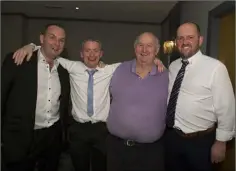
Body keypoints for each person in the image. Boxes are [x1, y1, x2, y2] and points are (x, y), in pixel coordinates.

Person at [12, 38, 166, 171]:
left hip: (102, 130)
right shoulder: (72, 67)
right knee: (80, 167)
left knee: (101, 167)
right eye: (87, 51)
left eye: (95, 51)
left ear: (101, 54)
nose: (91, 55)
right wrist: (31, 46)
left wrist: (155, 60)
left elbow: (139, 60)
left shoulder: (111, 69)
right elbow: (50, 53)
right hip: (78, 130)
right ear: (81, 54)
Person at [164, 22, 235, 171]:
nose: (185, 42)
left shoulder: (215, 68)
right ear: (176, 42)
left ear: (200, 40)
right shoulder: (173, 66)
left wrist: (221, 142)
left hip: (201, 142)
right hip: (173, 138)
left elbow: (227, 107)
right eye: (180, 38)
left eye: (190, 37)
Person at [1, 24, 70, 171]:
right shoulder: (19, 60)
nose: (57, 43)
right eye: (52, 37)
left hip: (52, 137)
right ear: (42, 38)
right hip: (21, 137)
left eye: (61, 40)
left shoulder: (64, 71)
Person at [106, 32, 168, 171]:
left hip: (150, 152)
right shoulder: (118, 70)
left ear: (157, 51)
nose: (144, 50)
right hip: (117, 149)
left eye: (149, 46)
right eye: (140, 45)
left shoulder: (167, 76)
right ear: (135, 49)